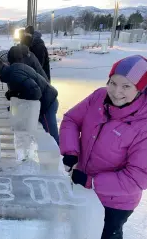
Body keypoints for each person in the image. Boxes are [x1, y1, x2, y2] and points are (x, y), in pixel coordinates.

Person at [60, 55, 147, 239]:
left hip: (115, 203)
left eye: (126, 86)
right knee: (81, 230)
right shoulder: (99, 96)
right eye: (113, 83)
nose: (116, 92)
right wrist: (71, 152)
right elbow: (71, 120)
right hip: (83, 185)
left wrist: (92, 182)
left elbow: (138, 177)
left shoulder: (143, 124)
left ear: (140, 88)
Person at [0, 58, 59, 143]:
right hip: (46, 98)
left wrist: (17, 94)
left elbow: (36, 93)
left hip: (47, 103)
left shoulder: (14, 76)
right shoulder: (13, 69)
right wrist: (13, 93)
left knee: (51, 137)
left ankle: (62, 154)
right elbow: (24, 85)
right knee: (46, 133)